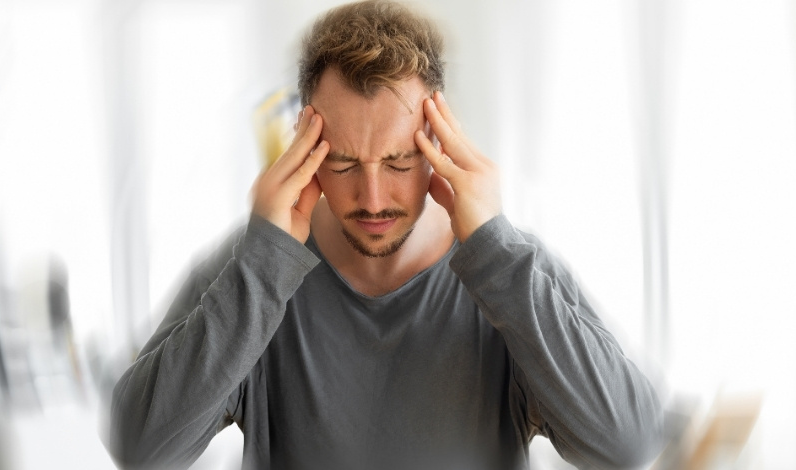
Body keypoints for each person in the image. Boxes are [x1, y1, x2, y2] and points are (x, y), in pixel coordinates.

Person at [109, 1, 664, 469]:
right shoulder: (254, 270)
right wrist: (261, 266)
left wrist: (494, 249)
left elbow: (625, 445)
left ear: (438, 145)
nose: (373, 199)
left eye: (399, 163)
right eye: (345, 164)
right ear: (306, 148)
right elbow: (140, 449)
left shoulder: (512, 270)